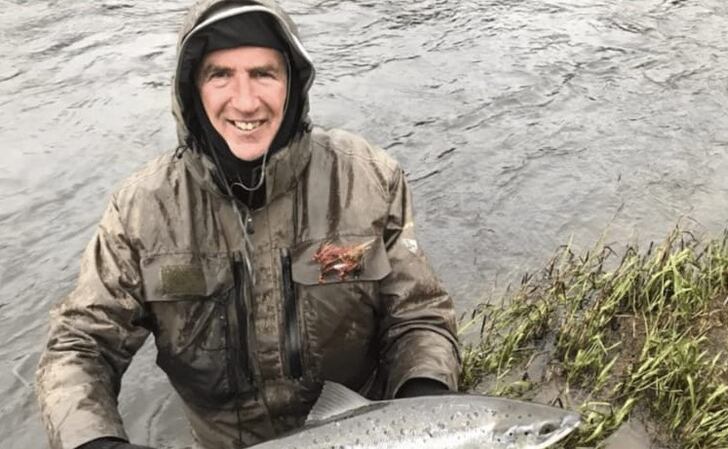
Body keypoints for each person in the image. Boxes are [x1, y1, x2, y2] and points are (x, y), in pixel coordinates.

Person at [34, 1, 461, 448]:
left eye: (264, 73)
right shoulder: (141, 211)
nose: (245, 101)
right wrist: (93, 441)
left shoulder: (369, 180)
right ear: (191, 89)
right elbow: (78, 348)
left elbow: (418, 317)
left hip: (366, 434)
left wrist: (425, 406)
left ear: (292, 83)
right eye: (220, 75)